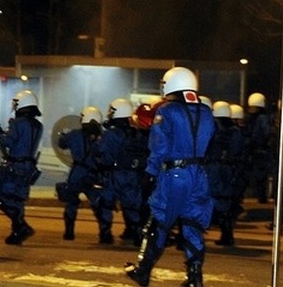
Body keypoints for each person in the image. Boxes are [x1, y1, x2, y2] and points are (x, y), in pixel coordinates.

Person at [124, 66, 215, 287]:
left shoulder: (167, 111)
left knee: (158, 222)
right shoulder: (206, 111)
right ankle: (195, 277)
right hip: (198, 175)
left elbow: (159, 146)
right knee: (192, 224)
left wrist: (150, 172)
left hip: (175, 174)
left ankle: (142, 271)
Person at [0, 89, 43, 245]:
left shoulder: (17, 123)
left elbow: (9, 142)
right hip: (28, 167)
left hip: (14, 165)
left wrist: (0, 135)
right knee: (18, 199)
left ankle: (21, 226)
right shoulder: (38, 125)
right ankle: (17, 232)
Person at [98, 97, 149, 245]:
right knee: (133, 207)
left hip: (115, 174)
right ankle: (138, 236)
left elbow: (102, 152)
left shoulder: (111, 134)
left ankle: (106, 234)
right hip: (134, 175)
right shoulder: (137, 133)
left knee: (106, 204)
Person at [56, 105, 111, 241]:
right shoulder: (103, 137)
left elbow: (61, 143)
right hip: (94, 174)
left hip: (77, 173)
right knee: (99, 203)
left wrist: (63, 135)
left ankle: (69, 232)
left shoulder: (74, 135)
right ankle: (105, 233)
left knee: (71, 202)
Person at [206, 100, 245, 246]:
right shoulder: (235, 131)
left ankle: (191, 236)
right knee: (225, 201)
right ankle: (227, 234)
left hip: (212, 167)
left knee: (204, 199)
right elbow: (239, 151)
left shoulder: (213, 128)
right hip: (229, 169)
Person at [245, 92, 273, 203]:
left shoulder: (258, 119)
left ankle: (261, 196)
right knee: (259, 175)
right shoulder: (261, 118)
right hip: (258, 150)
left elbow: (264, 134)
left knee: (259, 175)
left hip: (258, 151)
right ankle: (261, 196)